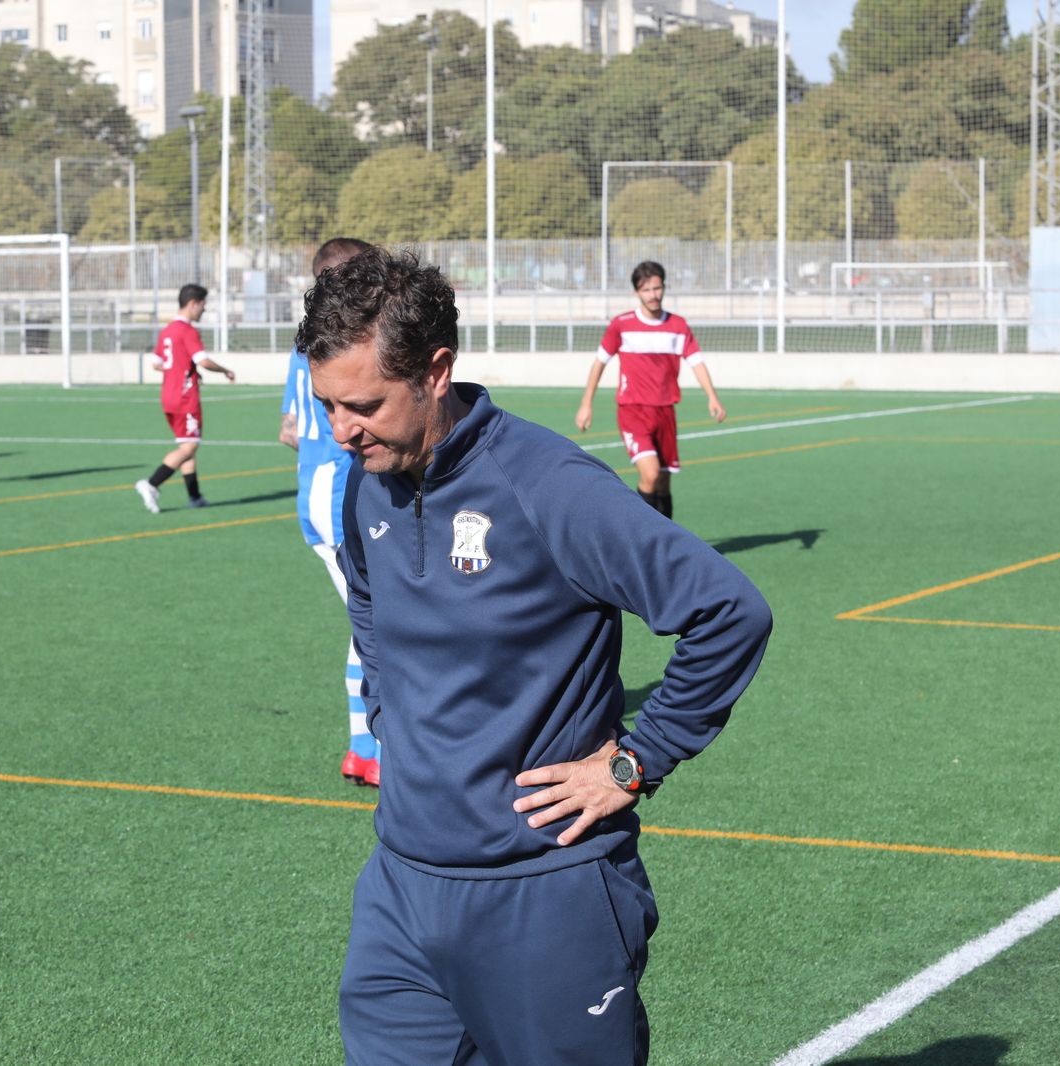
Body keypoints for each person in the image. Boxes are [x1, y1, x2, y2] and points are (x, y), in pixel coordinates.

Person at [298, 248, 771, 1065]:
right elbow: (367, 601)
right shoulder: (361, 481)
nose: (342, 431)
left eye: (364, 405)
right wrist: (391, 715)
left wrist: (633, 762)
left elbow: (730, 612)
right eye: (328, 406)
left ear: (436, 371)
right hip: (401, 893)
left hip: (544, 895)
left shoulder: (548, 485)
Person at [280, 237, 380, 788]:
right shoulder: (340, 345)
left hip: (316, 493)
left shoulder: (308, 343)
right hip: (338, 496)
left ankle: (363, 749)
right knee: (382, 624)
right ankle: (379, 749)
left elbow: (289, 430)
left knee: (367, 623)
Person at [575, 260, 727, 520]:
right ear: (637, 292)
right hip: (633, 411)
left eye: (657, 288)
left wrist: (712, 397)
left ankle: (667, 542)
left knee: (664, 482)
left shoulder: (678, 326)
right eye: (647, 290)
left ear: (664, 288)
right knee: (651, 474)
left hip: (665, 412)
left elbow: (696, 362)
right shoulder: (621, 325)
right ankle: (642, 535)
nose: (653, 295)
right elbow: (599, 363)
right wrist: (586, 403)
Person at [135, 284, 235, 512]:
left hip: (168, 396)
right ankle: (151, 484)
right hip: (184, 398)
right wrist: (225, 370)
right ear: (193, 304)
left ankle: (195, 496)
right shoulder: (187, 331)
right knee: (189, 447)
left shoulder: (167, 330)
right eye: (203, 306)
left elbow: (157, 363)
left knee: (186, 445)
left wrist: (183, 370)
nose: (203, 311)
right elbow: (203, 360)